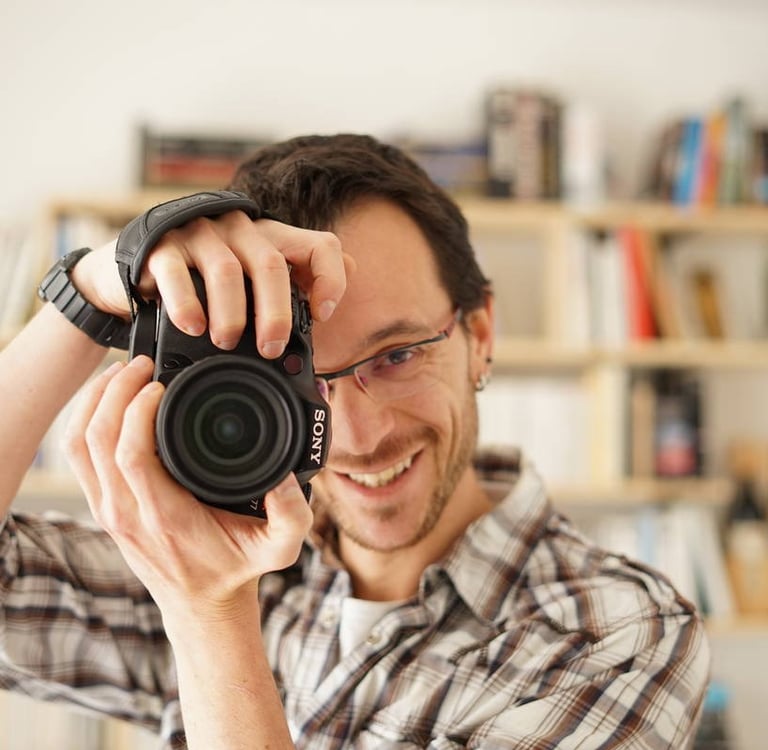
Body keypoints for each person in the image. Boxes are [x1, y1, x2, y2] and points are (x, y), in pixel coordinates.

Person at [0, 134, 709, 749]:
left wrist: (210, 617)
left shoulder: (615, 633)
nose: (359, 435)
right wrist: (88, 295)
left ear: (480, 336)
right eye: (298, 380)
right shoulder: (237, 565)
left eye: (397, 355)